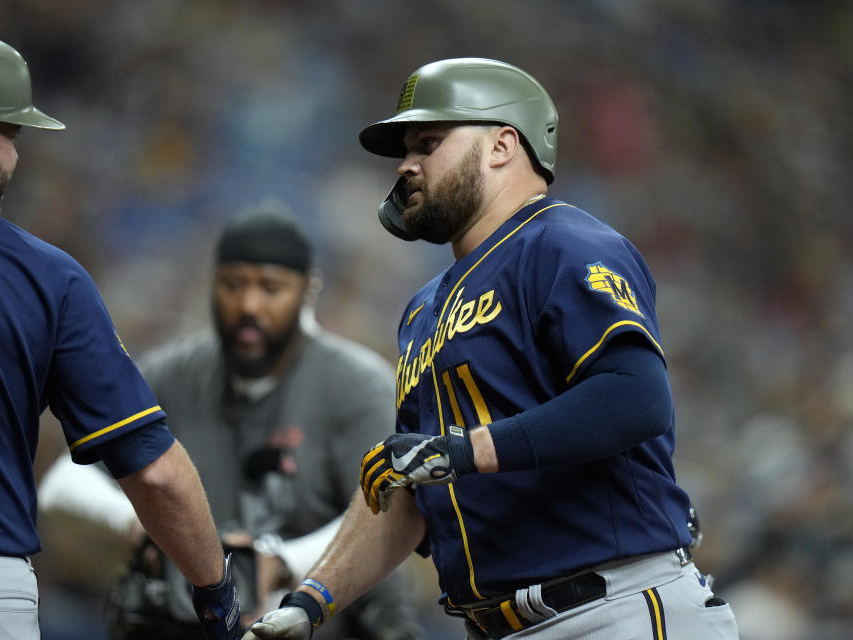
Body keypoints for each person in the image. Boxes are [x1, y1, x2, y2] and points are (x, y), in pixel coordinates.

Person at [241, 58, 740, 639]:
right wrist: (310, 602)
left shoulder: (562, 241)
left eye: (428, 143)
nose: (406, 164)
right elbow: (411, 485)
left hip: (614, 609)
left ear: (503, 145)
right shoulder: (424, 306)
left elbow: (636, 397)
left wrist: (460, 450)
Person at [0, 31, 240, 640]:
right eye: (11, 136)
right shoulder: (40, 272)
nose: (17, 158)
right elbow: (152, 470)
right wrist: (215, 588)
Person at [38, 201, 423, 640]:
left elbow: (389, 506)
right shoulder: (174, 372)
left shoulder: (356, 385)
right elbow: (61, 486)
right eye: (232, 284)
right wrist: (146, 527)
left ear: (308, 290)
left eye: (270, 288)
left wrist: (278, 565)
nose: (248, 305)